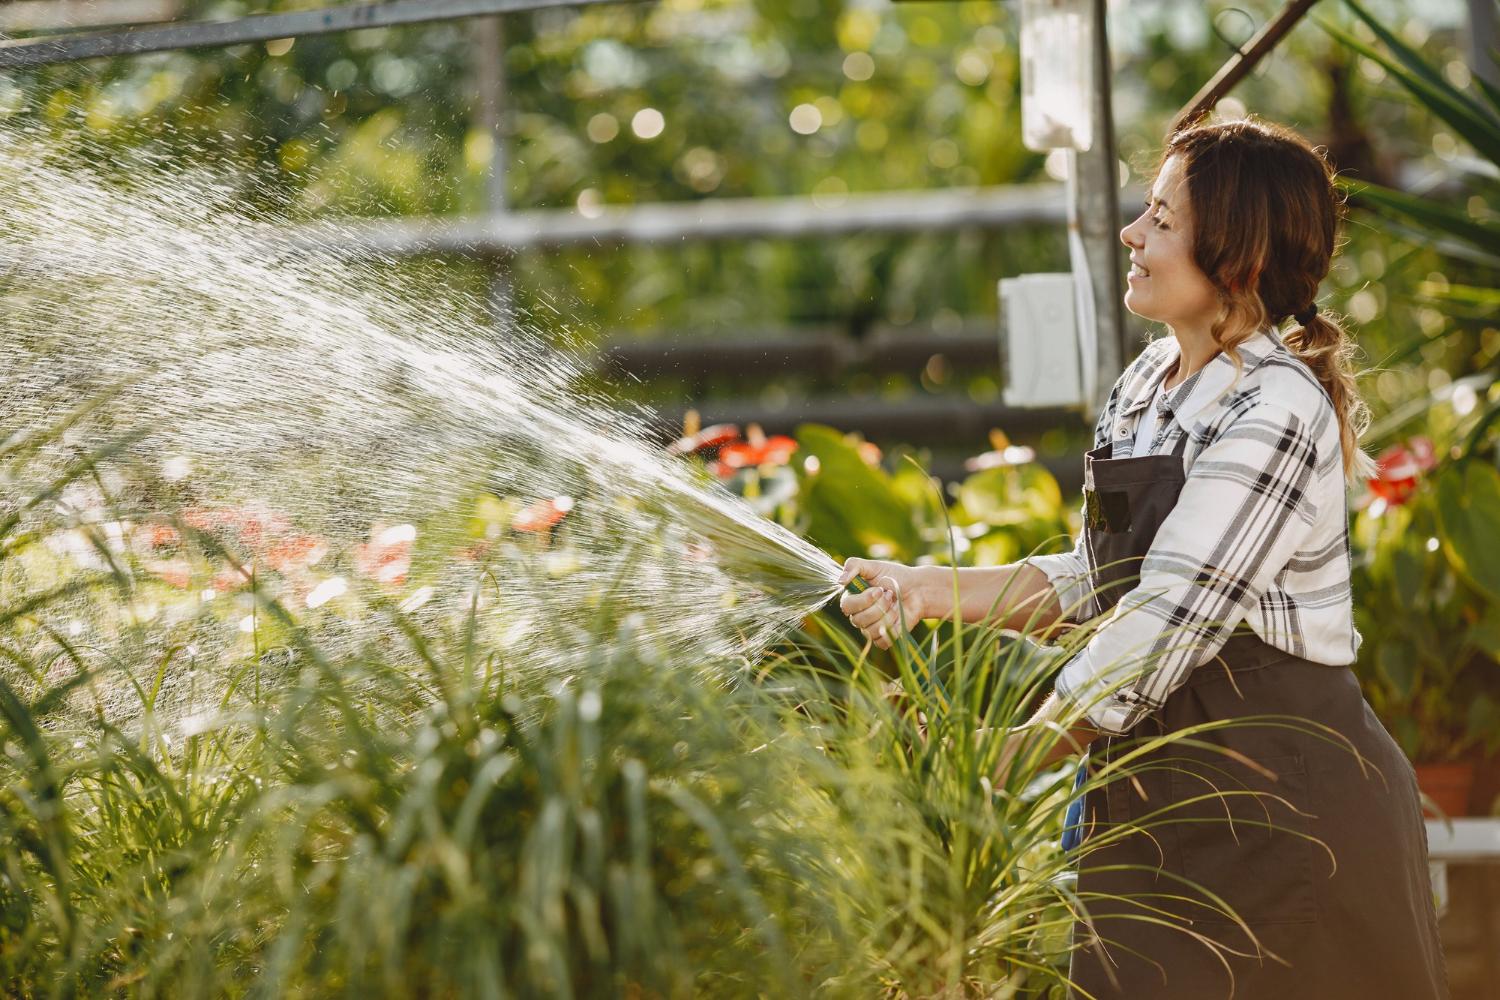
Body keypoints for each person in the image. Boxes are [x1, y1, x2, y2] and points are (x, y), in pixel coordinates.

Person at [837, 117, 1449, 999]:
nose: (1132, 234)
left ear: (1234, 257)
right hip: (1157, 798)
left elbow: (1167, 622)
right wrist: (923, 588)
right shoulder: (1147, 384)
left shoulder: (1277, 410)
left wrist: (1011, 754)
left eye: (1161, 220)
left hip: (1285, 813)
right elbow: (1100, 577)